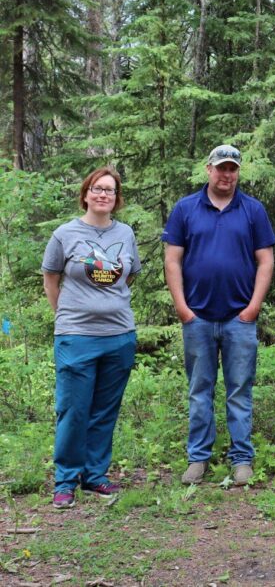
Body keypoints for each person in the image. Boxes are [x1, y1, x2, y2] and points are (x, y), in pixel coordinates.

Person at [163, 145, 275, 487]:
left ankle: (242, 459)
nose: (226, 175)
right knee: (200, 390)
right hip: (197, 318)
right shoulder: (185, 209)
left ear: (237, 172)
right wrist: (183, 309)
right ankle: (198, 459)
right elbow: (172, 261)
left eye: (232, 169)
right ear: (208, 169)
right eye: (221, 168)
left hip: (238, 319)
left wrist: (253, 307)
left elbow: (266, 261)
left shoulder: (253, 210)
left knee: (240, 391)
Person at [43, 167, 141, 509]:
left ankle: (95, 475)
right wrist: (67, 315)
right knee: (73, 410)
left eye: (110, 191)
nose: (103, 195)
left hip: (119, 336)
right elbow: (51, 279)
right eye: (97, 189)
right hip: (76, 336)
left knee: (104, 411)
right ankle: (66, 480)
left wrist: (106, 307)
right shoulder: (64, 234)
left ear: (117, 198)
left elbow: (128, 277)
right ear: (85, 194)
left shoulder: (126, 234)